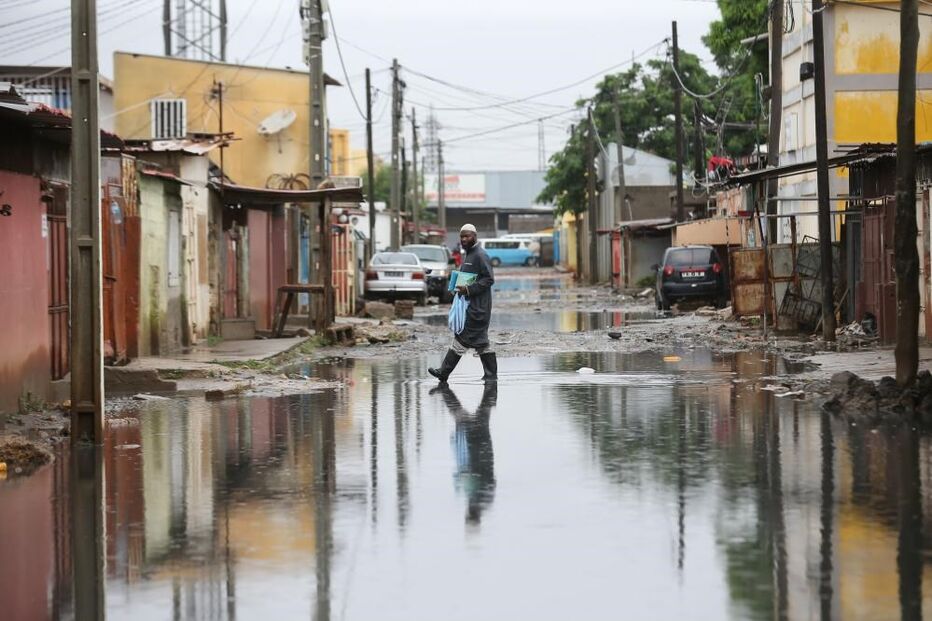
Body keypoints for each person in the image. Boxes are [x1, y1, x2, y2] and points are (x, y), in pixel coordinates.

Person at [428, 224, 497, 383]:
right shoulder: (469, 255)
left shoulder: (480, 255)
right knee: (481, 342)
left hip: (478, 307)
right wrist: (456, 288)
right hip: (470, 306)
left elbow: (488, 279)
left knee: (462, 338)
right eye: (462, 236)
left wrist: (468, 290)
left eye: (467, 236)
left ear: (475, 236)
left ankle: (444, 372)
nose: (464, 239)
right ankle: (491, 375)